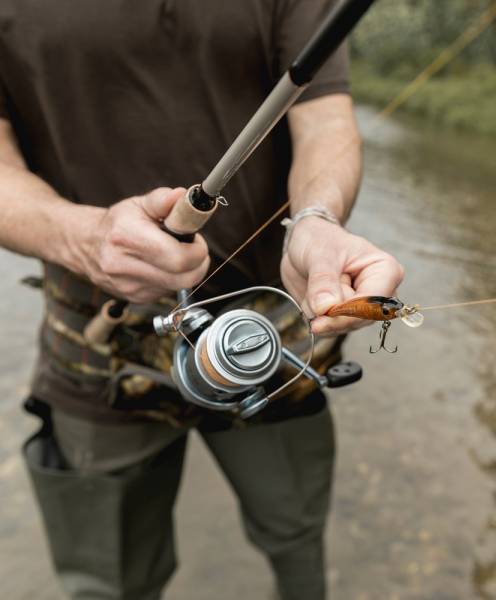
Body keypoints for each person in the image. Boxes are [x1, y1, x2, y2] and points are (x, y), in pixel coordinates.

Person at [0, 2, 403, 599]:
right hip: (97, 350)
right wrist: (83, 239)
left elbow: (323, 121)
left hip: (271, 339)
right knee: (107, 583)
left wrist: (316, 220)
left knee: (296, 541)